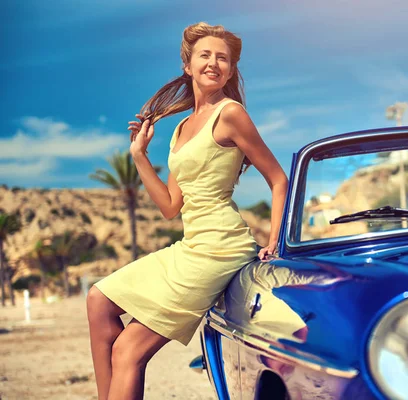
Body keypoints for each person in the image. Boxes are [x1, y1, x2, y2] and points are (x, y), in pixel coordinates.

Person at [86, 22, 288, 400]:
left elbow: (278, 179)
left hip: (220, 250)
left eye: (223, 58)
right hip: (190, 245)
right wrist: (139, 157)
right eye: (205, 55)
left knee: (128, 351)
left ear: (230, 70)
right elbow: (169, 207)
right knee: (98, 300)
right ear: (188, 65)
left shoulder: (230, 114)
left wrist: (274, 242)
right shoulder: (180, 127)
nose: (214, 63)